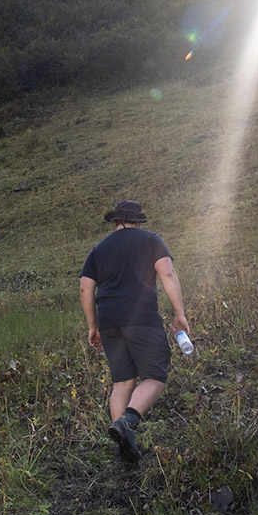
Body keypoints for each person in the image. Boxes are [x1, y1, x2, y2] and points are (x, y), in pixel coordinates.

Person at [79, 198, 190, 462]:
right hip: (141, 317)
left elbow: (85, 287)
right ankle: (127, 423)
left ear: (116, 221)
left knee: (122, 382)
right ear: (137, 221)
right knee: (154, 376)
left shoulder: (98, 248)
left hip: (108, 320)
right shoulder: (150, 239)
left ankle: (123, 449)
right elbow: (168, 273)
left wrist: (93, 326)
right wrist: (180, 314)